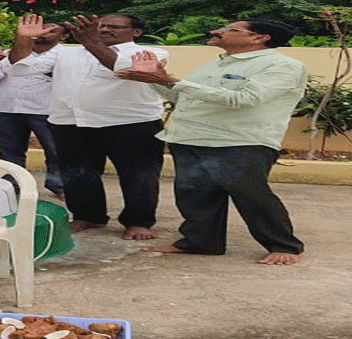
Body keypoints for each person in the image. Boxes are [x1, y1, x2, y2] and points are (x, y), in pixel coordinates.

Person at [116, 19, 307, 265]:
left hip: (239, 140)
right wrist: (154, 78)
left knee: (252, 196)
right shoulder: (212, 65)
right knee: (194, 195)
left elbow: (245, 99)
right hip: (190, 137)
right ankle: (200, 242)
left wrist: (173, 81)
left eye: (229, 30)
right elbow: (178, 94)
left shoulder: (283, 66)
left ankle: (284, 245)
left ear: (259, 38)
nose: (216, 31)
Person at [7, 13, 169, 240]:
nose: (104, 29)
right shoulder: (65, 53)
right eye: (100, 25)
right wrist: (23, 39)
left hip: (130, 123)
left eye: (114, 26)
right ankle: (88, 216)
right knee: (76, 174)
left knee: (138, 175)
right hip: (70, 122)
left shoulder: (151, 53)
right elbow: (22, 67)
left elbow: (122, 69)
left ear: (136, 32)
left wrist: (92, 41)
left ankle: (139, 222)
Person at [0, 24, 69, 197]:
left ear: (63, 36)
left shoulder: (67, 56)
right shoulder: (10, 53)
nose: (43, 33)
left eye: (51, 31)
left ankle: (58, 186)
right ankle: (12, 186)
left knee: (56, 151)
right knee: (9, 153)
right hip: (6, 110)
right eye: (42, 29)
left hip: (47, 111)